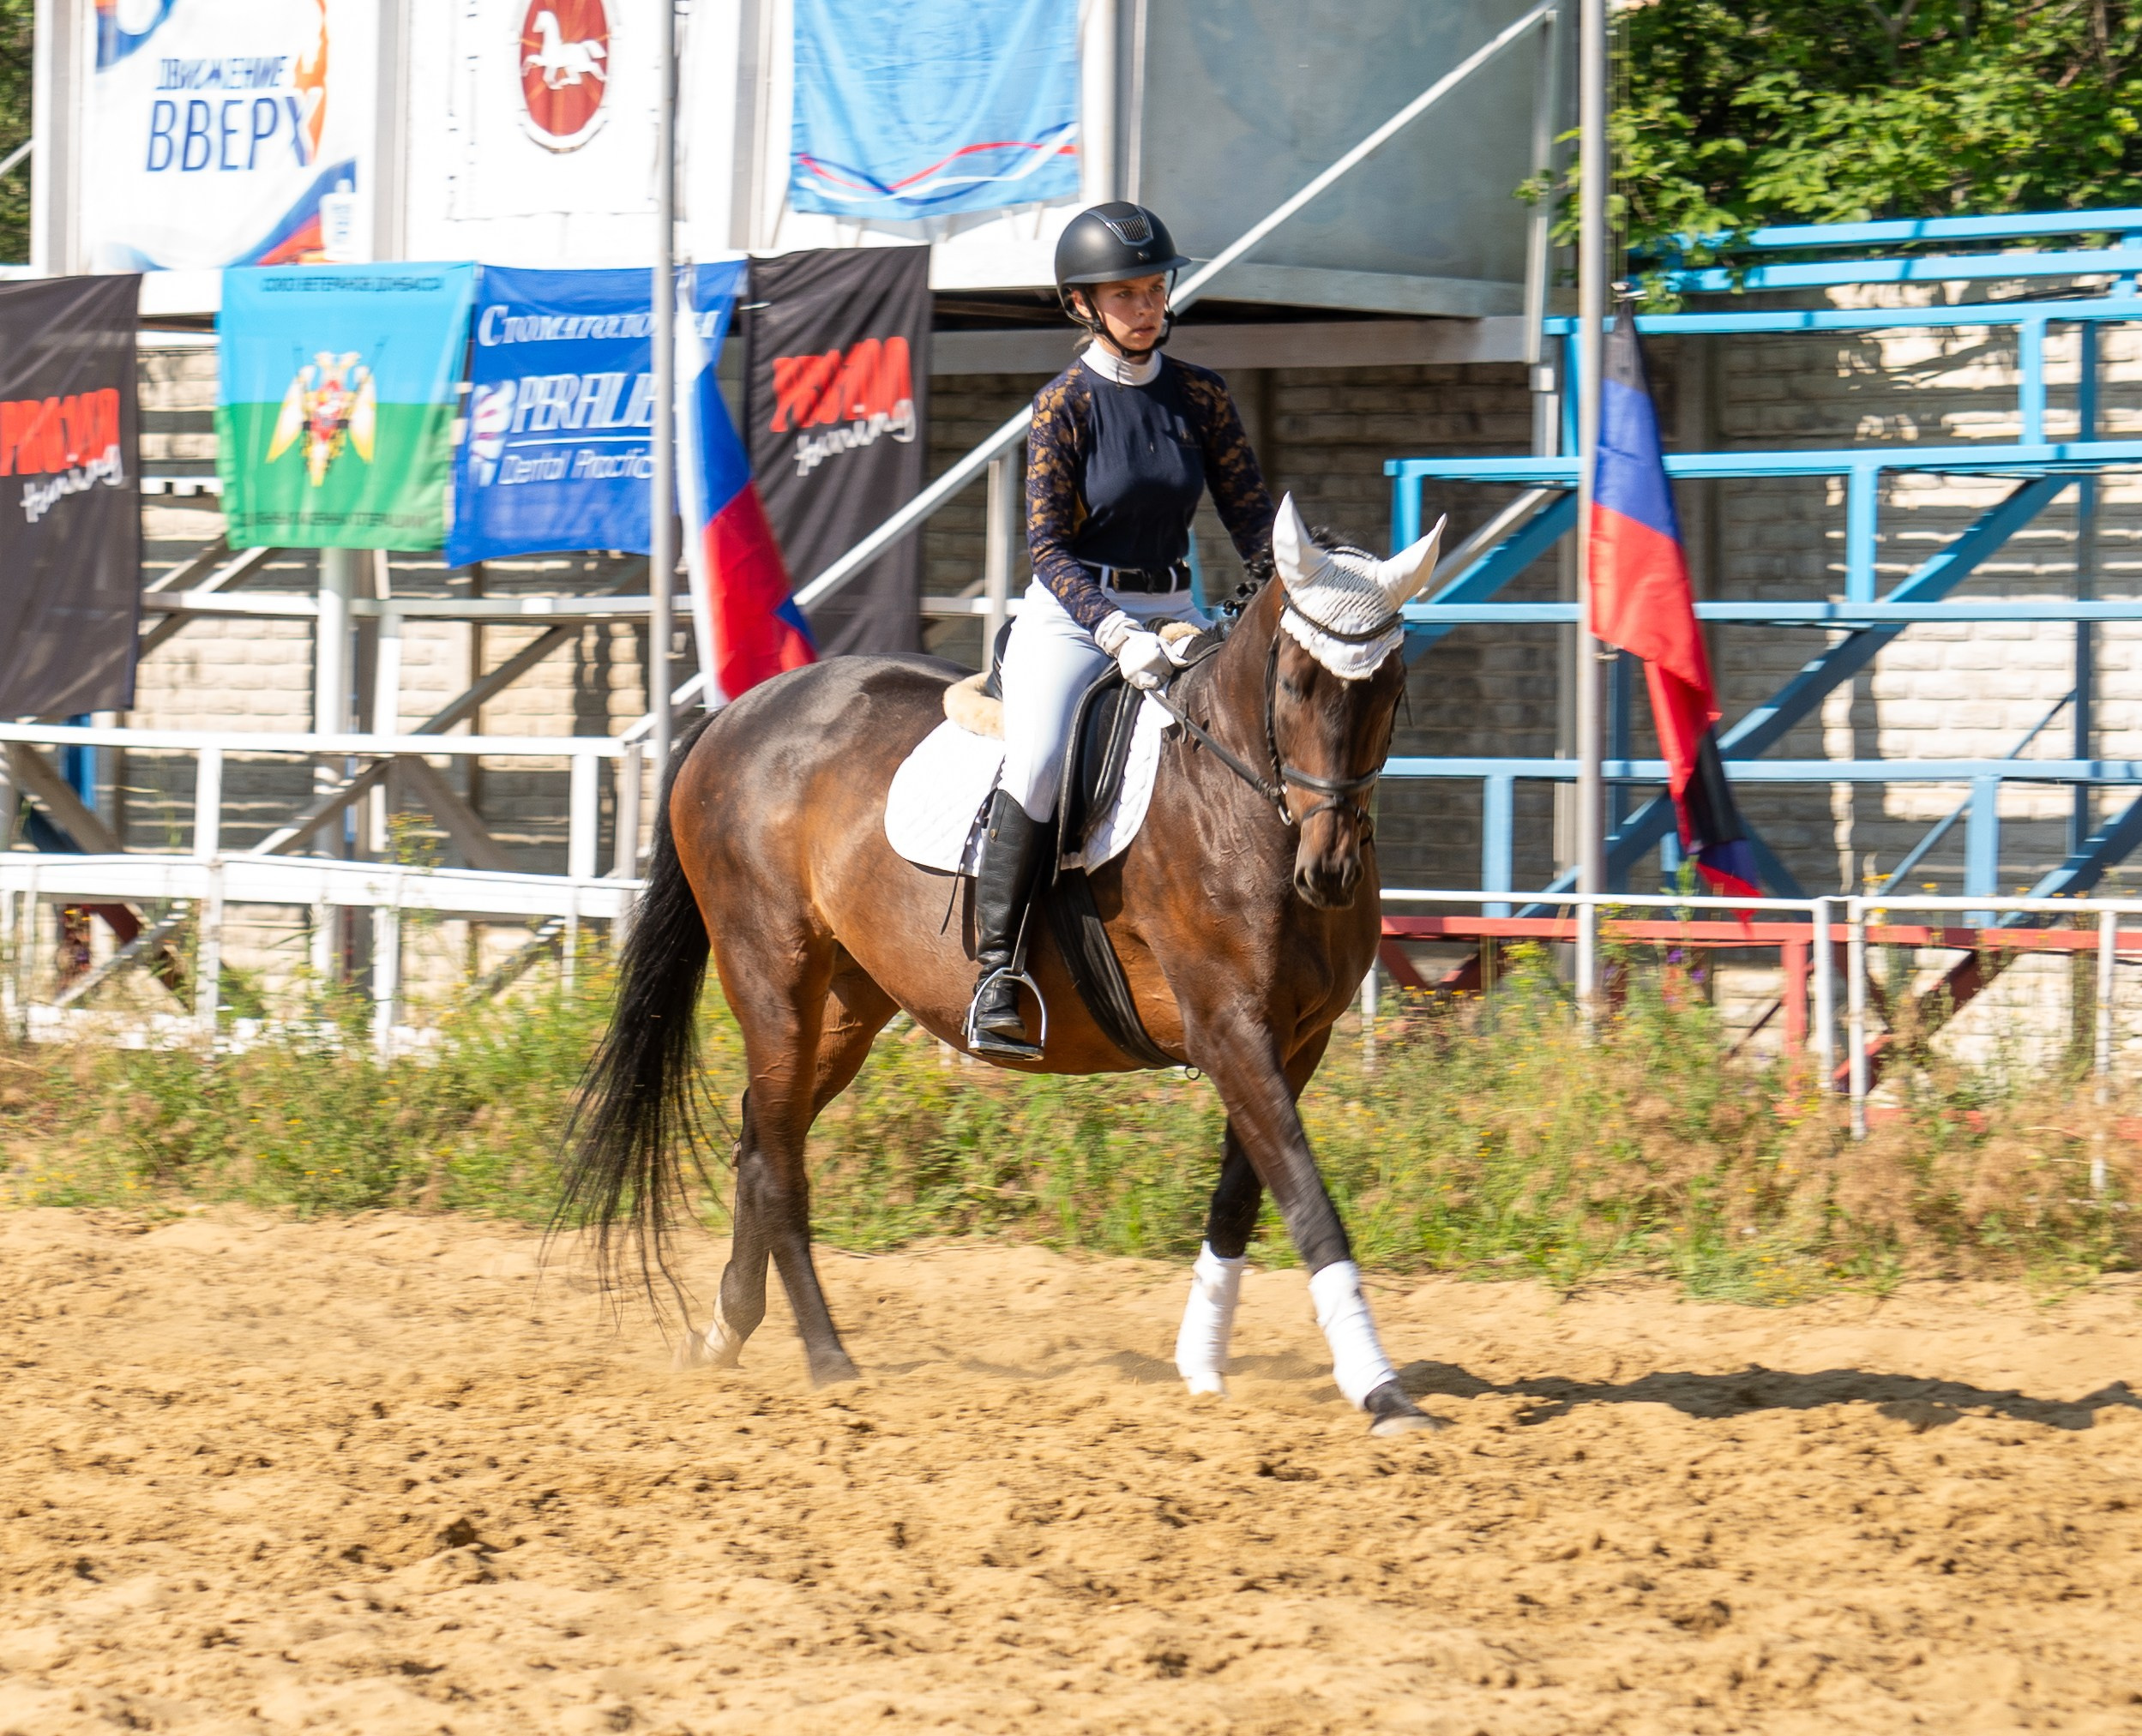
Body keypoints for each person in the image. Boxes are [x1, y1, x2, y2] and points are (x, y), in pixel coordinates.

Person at [966, 201, 1278, 1059]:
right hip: (1073, 617)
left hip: (1175, 611)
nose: (1145, 307)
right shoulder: (1062, 405)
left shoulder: (1201, 396)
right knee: (1034, 764)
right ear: (1083, 306)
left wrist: (1309, 570)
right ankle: (996, 971)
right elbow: (1045, 545)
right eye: (1125, 295)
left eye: (1153, 289)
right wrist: (1111, 631)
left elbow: (1252, 522)